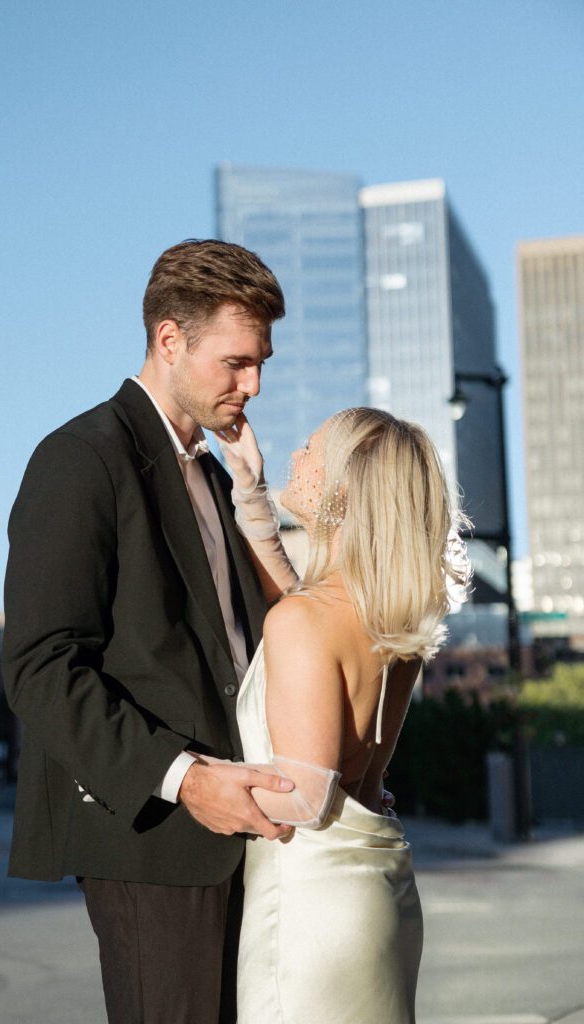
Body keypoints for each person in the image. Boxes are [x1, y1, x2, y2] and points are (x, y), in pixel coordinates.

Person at [1, 239, 300, 1024]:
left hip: (248, 834)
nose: (254, 385)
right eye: (236, 362)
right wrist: (187, 778)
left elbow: (249, 648)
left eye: (260, 362)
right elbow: (39, 665)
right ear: (170, 340)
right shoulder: (80, 458)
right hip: (155, 835)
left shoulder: (213, 472)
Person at [213, 407, 471, 1024]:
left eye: (309, 449)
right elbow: (296, 602)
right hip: (377, 895)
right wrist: (250, 491)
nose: (295, 458)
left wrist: (183, 778)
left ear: (343, 487)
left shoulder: (305, 622)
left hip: (312, 918)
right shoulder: (387, 619)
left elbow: (303, 797)